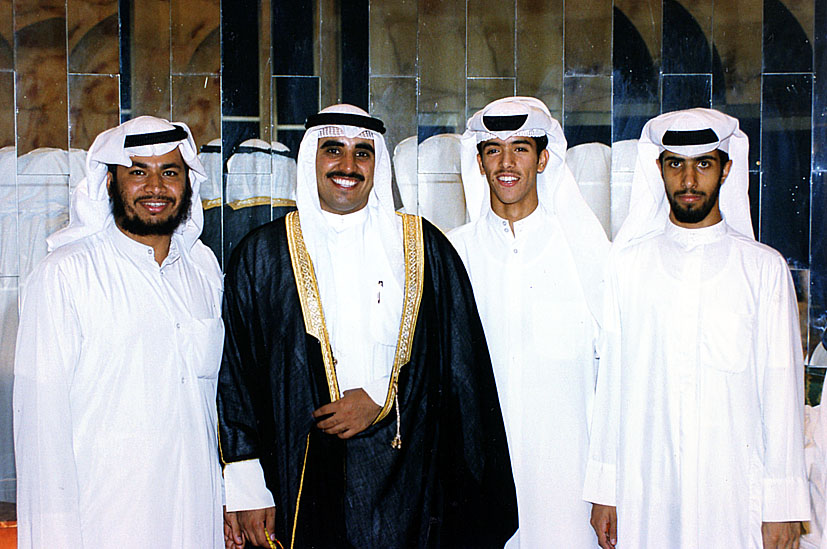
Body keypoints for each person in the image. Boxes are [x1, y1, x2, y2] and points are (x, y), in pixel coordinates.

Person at [218, 104, 517, 549]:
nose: (347, 166)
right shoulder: (263, 255)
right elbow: (238, 376)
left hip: (407, 476)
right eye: (333, 149)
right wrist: (245, 486)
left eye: (362, 153)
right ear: (310, 160)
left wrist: (380, 395)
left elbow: (457, 362)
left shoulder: (421, 246)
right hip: (299, 475)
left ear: (377, 163)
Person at [583, 108, 810, 548]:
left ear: (726, 169)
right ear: (659, 170)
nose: (689, 180)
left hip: (732, 494)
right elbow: (611, 384)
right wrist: (604, 492)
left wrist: (781, 507)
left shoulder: (763, 269)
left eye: (703, 163)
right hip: (648, 486)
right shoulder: (629, 266)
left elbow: (782, 394)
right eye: (676, 164)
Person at [13, 116, 225, 547]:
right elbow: (41, 431)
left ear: (188, 183)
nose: (155, 187)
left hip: (194, 514)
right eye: (137, 173)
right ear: (109, 183)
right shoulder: (64, 274)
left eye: (170, 172)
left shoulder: (203, 270)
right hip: (105, 520)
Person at [448, 96, 609, 547]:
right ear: (478, 163)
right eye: (493, 149)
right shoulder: (455, 254)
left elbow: (614, 378)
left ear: (543, 159)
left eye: (520, 148)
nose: (506, 162)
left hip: (569, 488)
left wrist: (606, 487)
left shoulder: (585, 252)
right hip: (479, 484)